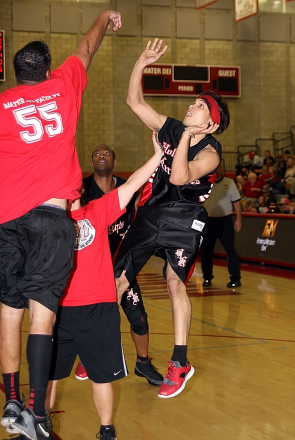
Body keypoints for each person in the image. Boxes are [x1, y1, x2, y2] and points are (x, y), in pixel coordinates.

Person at [0, 10, 122, 440]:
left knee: (8, 310)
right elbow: (86, 48)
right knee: (42, 315)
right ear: (48, 71)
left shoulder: (1, 105)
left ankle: (11, 400)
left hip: (7, 219)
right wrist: (105, 18)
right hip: (50, 219)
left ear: (15, 76)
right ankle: (36, 410)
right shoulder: (63, 86)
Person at [114, 39, 230, 399]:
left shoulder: (211, 153)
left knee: (174, 282)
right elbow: (135, 102)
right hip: (154, 212)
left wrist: (181, 138)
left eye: (197, 107)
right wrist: (141, 62)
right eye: (192, 103)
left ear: (210, 123)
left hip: (185, 218)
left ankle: (180, 362)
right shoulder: (174, 128)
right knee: (116, 278)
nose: (189, 107)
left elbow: (179, 177)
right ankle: (100, 340)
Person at [45, 132, 163, 440]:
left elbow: (135, 183)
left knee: (101, 377)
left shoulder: (97, 210)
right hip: (58, 309)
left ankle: (106, 430)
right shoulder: (47, 221)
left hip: (99, 307)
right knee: (50, 376)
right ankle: (39, 424)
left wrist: (157, 155)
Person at [75, 144, 163, 386]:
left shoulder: (128, 187)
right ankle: (87, 357)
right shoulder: (82, 190)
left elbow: (142, 214)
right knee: (97, 317)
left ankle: (143, 363)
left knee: (139, 318)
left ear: (114, 161)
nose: (101, 156)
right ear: (91, 163)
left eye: (106, 154)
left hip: (121, 266)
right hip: (92, 268)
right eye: (96, 154)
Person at [201, 166, 242, 288]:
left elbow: (236, 201)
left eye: (219, 169)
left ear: (222, 171)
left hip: (225, 221)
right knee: (206, 251)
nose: (217, 171)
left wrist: (239, 219)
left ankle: (235, 278)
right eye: (214, 169)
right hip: (209, 221)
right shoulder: (206, 184)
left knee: (231, 250)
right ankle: (207, 277)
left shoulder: (229, 183)